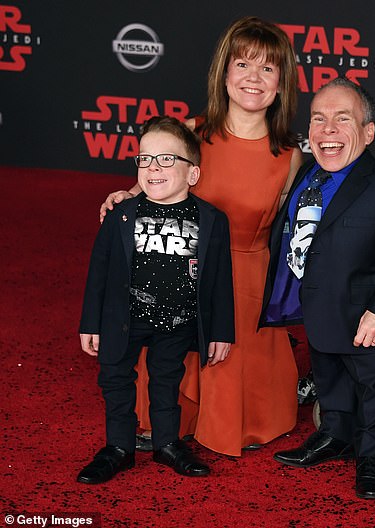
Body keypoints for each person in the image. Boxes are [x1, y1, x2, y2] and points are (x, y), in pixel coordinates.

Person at [100, 16, 303, 456]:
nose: (253, 78)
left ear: (282, 83)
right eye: (243, 64)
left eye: (268, 69)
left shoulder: (290, 156)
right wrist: (125, 194)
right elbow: (149, 187)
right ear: (224, 73)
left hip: (246, 281)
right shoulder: (192, 132)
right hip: (179, 272)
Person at [260, 77, 375, 500]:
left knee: (373, 389)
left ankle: (372, 457)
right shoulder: (307, 176)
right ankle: (335, 436)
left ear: (368, 133)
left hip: (367, 314)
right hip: (317, 306)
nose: (327, 129)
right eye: (318, 119)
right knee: (330, 379)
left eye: (342, 119)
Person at [78, 116, 234, 484]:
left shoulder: (211, 219)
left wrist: (222, 331)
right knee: (115, 378)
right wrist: (90, 321)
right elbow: (98, 270)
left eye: (166, 159)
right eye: (145, 159)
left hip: (177, 323)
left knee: (166, 380)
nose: (153, 168)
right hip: (124, 318)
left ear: (192, 174)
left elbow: (220, 281)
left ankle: (167, 443)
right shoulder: (121, 215)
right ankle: (118, 447)